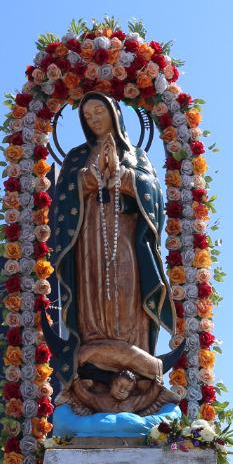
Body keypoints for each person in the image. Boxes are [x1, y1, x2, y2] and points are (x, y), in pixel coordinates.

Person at [48, 92, 178, 414]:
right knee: (92, 300)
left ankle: (139, 374)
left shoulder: (135, 154)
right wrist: (89, 181)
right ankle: (92, 373)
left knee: (128, 295)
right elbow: (61, 204)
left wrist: (126, 178)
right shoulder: (77, 157)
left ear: (114, 113)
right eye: (87, 115)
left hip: (126, 239)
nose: (93, 118)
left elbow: (155, 198)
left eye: (98, 111)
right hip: (88, 243)